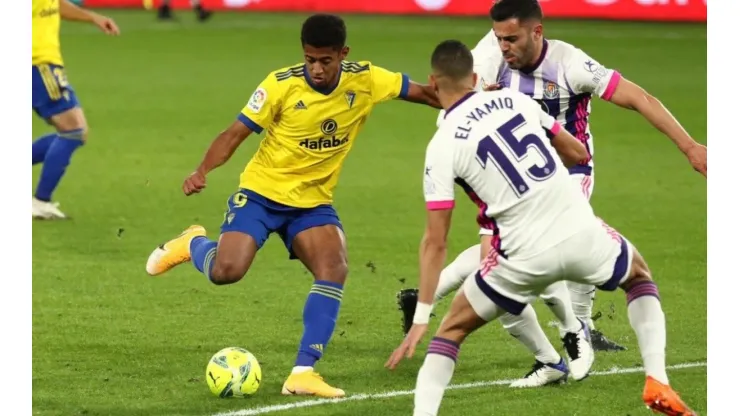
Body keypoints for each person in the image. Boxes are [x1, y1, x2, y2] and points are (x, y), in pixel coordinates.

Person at [385, 39, 696, 416]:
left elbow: (435, 240)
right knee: (639, 277)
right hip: (580, 229)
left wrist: (420, 317)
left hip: (520, 256)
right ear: (476, 76)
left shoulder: (441, 143)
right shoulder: (517, 101)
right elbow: (577, 153)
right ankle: (657, 379)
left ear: (434, 83)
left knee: (449, 333)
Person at [144, 14, 441, 398]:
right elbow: (235, 133)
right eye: (309, 59)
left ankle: (303, 372)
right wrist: (201, 170)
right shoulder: (280, 85)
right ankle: (192, 244)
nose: (316, 69)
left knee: (333, 267)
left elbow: (424, 94)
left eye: (325, 61)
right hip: (261, 195)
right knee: (226, 271)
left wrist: (472, 100)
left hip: (312, 203)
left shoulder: (366, 79)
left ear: (343, 54)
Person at [32, 0, 120, 219]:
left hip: (42, 64)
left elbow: (53, 5)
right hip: (38, 63)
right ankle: (40, 202)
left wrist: (92, 17)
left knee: (74, 131)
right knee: (74, 131)